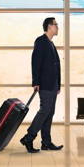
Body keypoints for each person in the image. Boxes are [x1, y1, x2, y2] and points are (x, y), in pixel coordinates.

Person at [20, 17, 64, 153]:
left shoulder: (50, 43)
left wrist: (57, 85)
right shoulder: (41, 41)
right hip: (44, 84)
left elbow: (55, 65)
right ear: (50, 26)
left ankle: (46, 142)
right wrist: (36, 82)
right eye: (56, 25)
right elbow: (35, 62)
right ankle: (29, 137)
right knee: (44, 111)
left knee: (49, 113)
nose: (58, 27)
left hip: (52, 85)